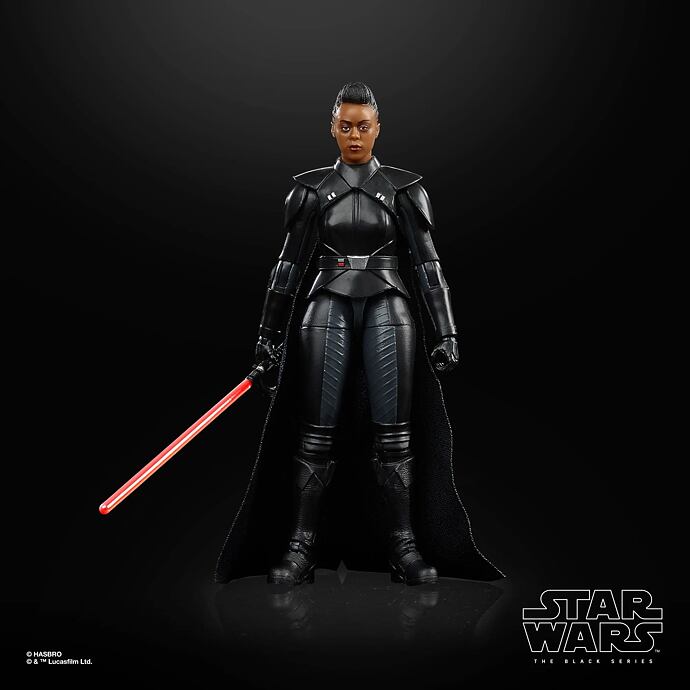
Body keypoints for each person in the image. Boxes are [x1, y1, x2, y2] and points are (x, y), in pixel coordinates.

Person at [215, 82, 502, 587]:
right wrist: (268, 333)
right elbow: (287, 267)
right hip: (327, 302)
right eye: (345, 126)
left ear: (377, 129)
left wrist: (447, 331)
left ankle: (404, 546)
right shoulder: (310, 191)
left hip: (389, 303)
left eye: (363, 126)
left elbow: (429, 266)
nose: (354, 135)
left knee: (395, 435)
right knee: (315, 432)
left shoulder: (404, 189)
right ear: (332, 128)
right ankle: (302, 545)